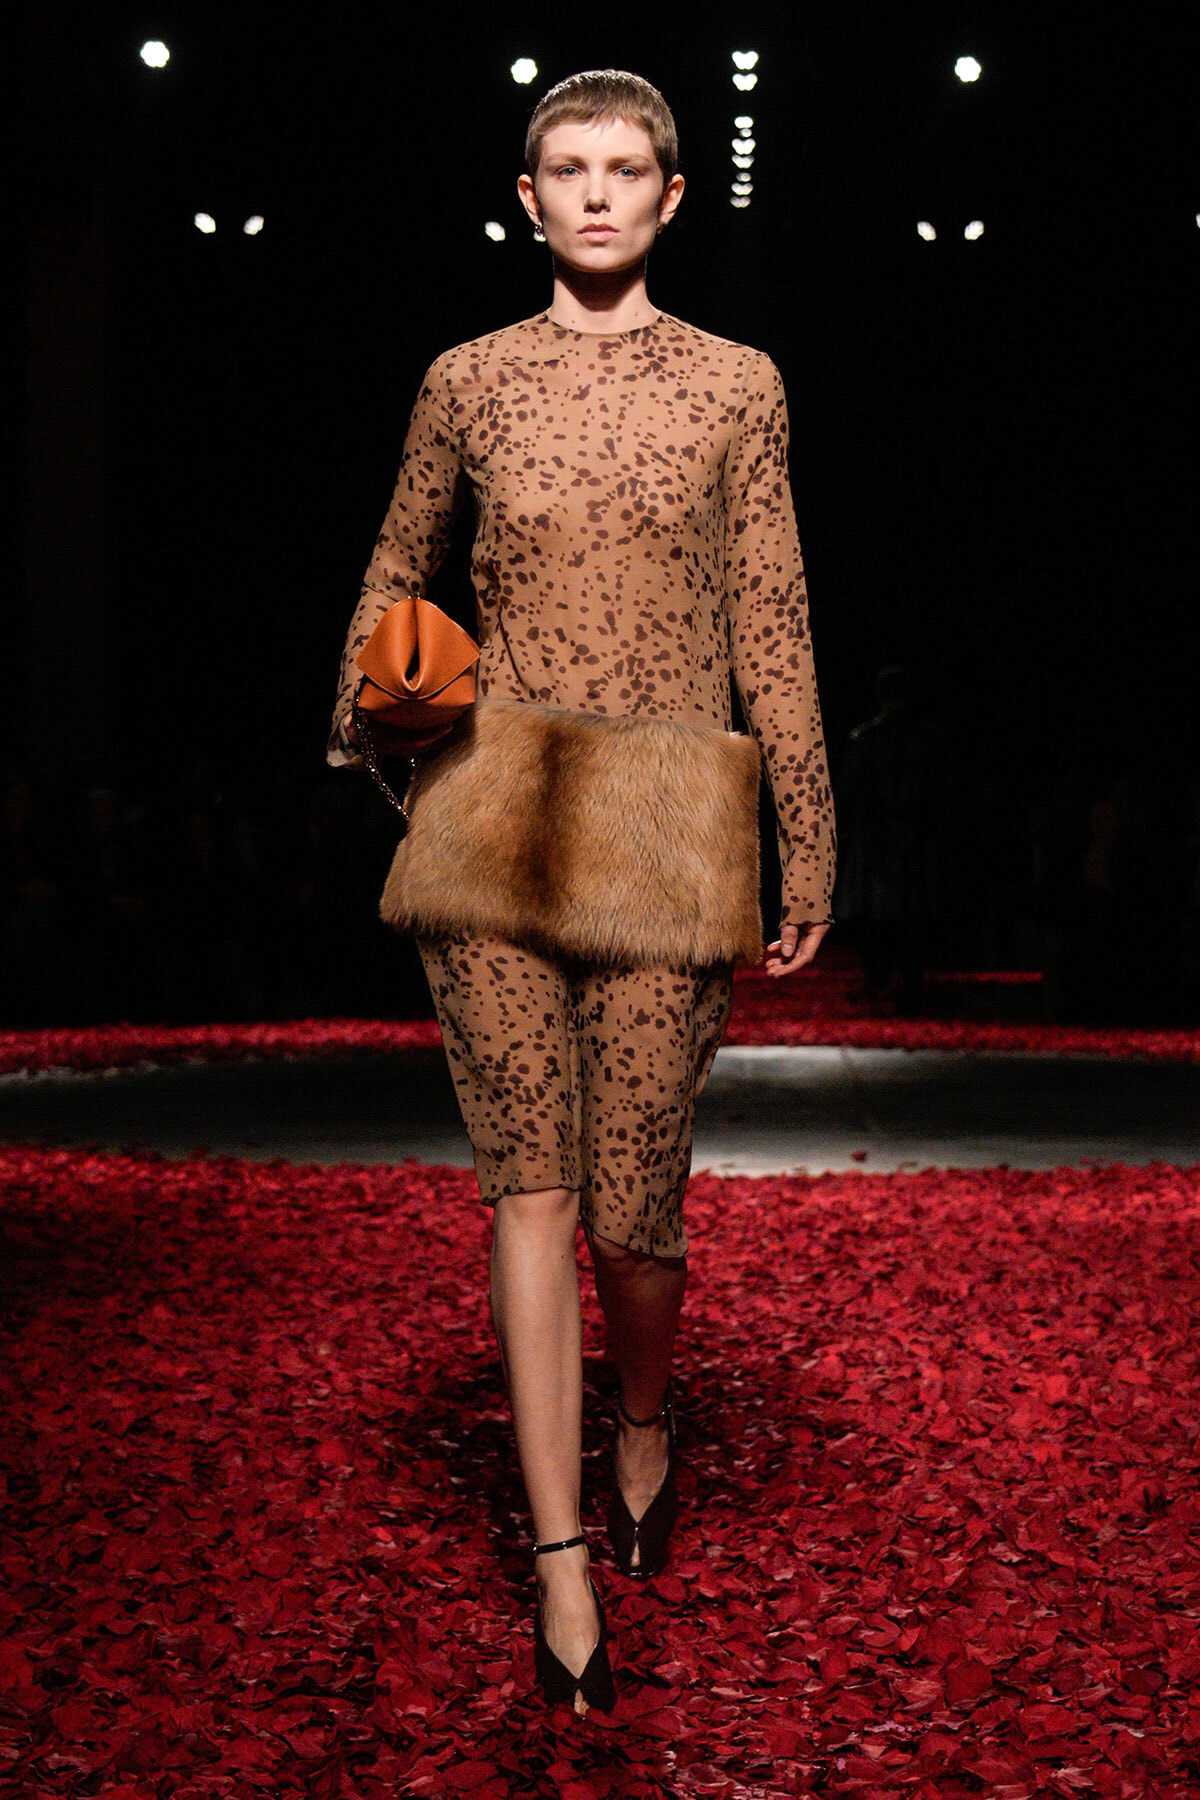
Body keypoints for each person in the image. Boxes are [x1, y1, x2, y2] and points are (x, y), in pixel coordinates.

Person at [326, 69, 836, 1716]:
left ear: (673, 198)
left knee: (635, 1209)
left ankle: (640, 1412)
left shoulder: (737, 385)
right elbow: (397, 577)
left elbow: (773, 619)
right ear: (528, 194)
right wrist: (401, 744)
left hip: (672, 822)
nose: (599, 192)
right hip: (494, 818)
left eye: (628, 169)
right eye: (569, 167)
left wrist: (806, 831)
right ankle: (557, 1559)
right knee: (527, 1190)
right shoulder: (465, 381)